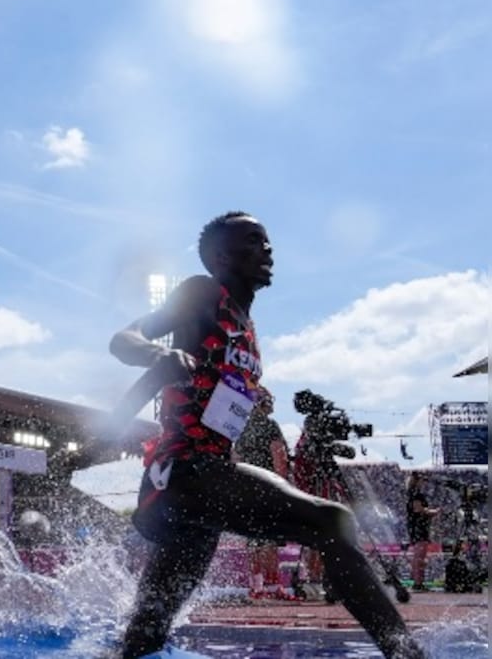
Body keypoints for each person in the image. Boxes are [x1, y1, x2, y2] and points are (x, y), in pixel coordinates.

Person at [108, 212, 423, 659]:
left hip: (207, 487)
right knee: (330, 521)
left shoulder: (246, 326)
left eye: (268, 241)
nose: (267, 249)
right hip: (185, 475)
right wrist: (157, 351)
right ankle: (405, 652)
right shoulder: (203, 292)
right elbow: (124, 338)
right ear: (221, 256)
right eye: (254, 241)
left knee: (145, 637)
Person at [232, 387, 291, 599]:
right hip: (268, 487)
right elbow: (279, 457)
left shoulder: (240, 427)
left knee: (253, 538)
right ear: (262, 403)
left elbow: (235, 458)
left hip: (246, 489)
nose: (272, 404)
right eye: (269, 400)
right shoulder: (270, 425)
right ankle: (275, 587)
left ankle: (256, 586)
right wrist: (284, 488)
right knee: (270, 538)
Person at [290, 410, 354, 601]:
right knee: (317, 541)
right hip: (313, 499)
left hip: (320, 496)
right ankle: (316, 579)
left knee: (322, 540)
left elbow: (349, 453)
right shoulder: (305, 446)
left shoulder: (316, 445)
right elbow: (304, 473)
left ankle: (324, 579)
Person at [405, 472, 439, 591]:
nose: (423, 482)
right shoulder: (416, 494)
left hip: (415, 527)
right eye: (422, 480)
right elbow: (418, 509)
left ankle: (418, 582)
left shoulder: (411, 493)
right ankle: (418, 583)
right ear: (417, 481)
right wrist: (433, 512)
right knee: (419, 556)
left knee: (418, 556)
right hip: (420, 527)